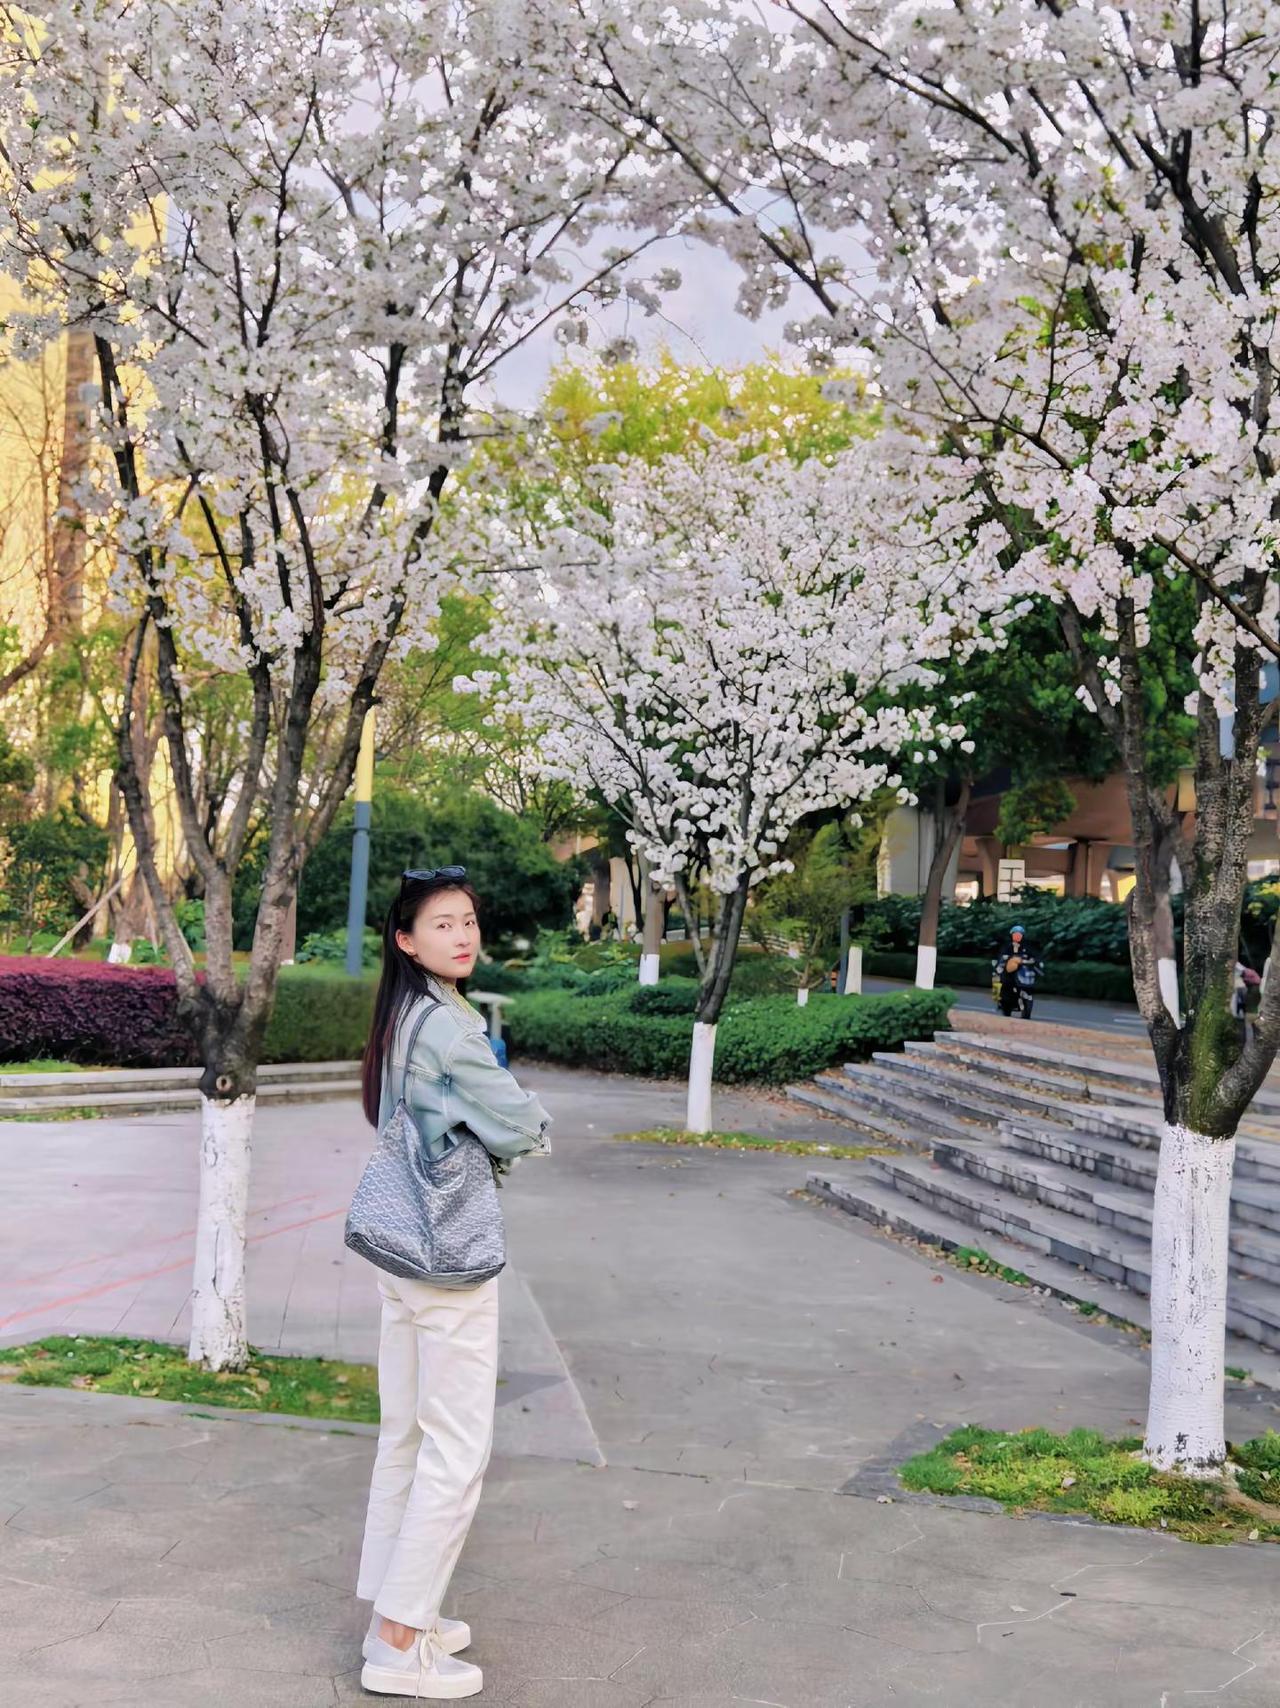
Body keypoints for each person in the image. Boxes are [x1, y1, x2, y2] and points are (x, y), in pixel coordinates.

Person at [355, 866, 551, 1699]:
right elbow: (524, 1126)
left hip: (400, 1249)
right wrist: (523, 1124)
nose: (463, 935)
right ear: (406, 939)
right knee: (457, 1449)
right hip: (447, 1258)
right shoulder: (453, 1031)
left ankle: (393, 1614)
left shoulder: (405, 1012)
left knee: (406, 1435)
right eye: (442, 924)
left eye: (468, 920)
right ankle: (400, 1643)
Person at [995, 923, 1035, 1017]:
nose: (1017, 936)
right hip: (1010, 973)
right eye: (1015, 935)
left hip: (1023, 972)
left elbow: (1033, 958)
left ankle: (1025, 1006)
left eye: (1019, 935)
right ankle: (1004, 1003)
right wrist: (1004, 961)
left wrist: (1033, 961)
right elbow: (1001, 958)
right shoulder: (1007, 947)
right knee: (1005, 983)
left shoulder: (1026, 948)